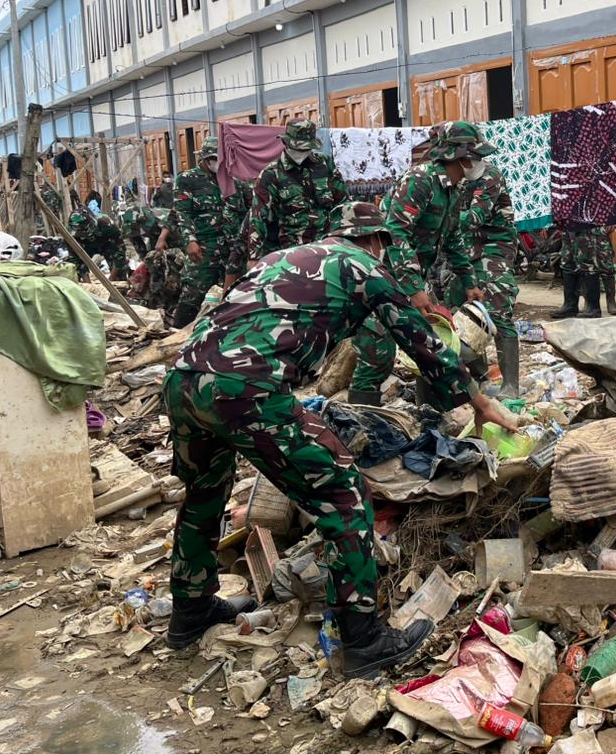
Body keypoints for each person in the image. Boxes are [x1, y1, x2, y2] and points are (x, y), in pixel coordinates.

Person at [163, 201, 517, 676]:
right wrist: (478, 400)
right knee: (343, 492)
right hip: (246, 387)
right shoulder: (364, 265)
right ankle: (365, 640)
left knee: (204, 492)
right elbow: (418, 336)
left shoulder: (284, 258)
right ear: (375, 241)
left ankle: (191, 610)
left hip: (185, 381)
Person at [348, 122, 484, 406]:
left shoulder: (453, 191)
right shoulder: (420, 180)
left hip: (408, 275)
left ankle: (431, 411)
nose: (478, 163)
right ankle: (360, 422)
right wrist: (413, 288)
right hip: (378, 274)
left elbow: (453, 238)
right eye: (475, 156)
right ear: (458, 156)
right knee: (378, 350)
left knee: (429, 341)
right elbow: (395, 233)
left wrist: (469, 281)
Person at [443, 133, 522, 397]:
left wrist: (438, 217)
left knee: (497, 309)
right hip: (465, 247)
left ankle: (511, 385)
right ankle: (482, 379)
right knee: (459, 309)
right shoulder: (450, 177)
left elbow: (474, 217)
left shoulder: (490, 176)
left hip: (494, 246)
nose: (476, 162)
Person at [160, 138, 247, 328]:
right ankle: (176, 336)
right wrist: (190, 240)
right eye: (213, 159)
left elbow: (250, 210)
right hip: (204, 248)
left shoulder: (235, 180)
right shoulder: (188, 180)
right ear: (205, 159)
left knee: (235, 295)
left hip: (233, 249)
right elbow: (182, 213)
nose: (217, 163)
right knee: (193, 294)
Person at [248, 120, 349, 259]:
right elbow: (258, 219)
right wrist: (254, 256)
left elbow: (344, 203)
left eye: (306, 149)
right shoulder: (271, 175)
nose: (302, 153)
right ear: (286, 143)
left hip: (329, 247)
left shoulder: (325, 164)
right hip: (292, 254)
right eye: (299, 149)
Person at [551, 226, 610, 319]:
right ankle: (570, 306)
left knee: (587, 263)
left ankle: (593, 308)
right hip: (567, 225)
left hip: (586, 224)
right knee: (568, 263)